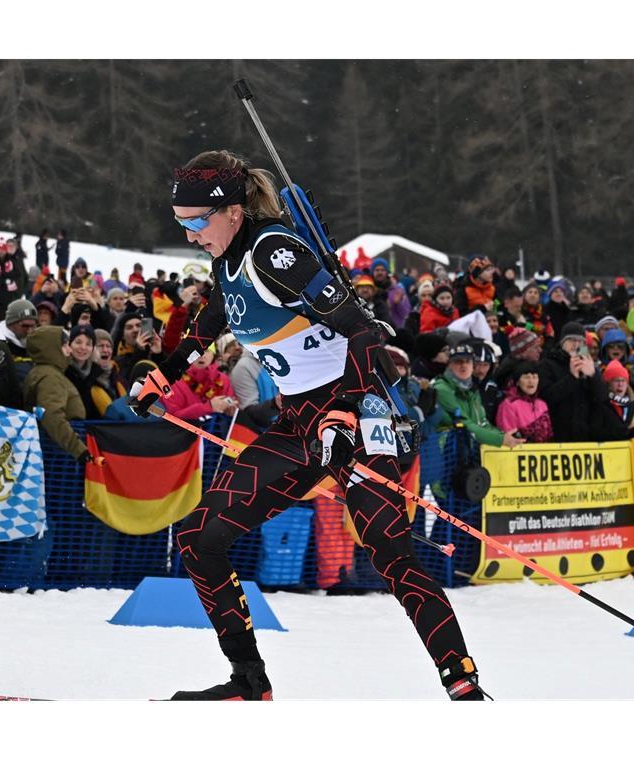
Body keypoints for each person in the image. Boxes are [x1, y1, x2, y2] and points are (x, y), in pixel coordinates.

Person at [130, 150, 487, 700]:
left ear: (230, 211)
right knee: (201, 537)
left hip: (358, 412)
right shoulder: (228, 263)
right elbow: (212, 320)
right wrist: (166, 375)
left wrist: (344, 411)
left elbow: (366, 333)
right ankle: (248, 682)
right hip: (297, 422)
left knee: (388, 550)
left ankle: (461, 680)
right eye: (182, 224)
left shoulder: (273, 251)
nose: (192, 234)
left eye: (198, 221)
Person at [433, 340, 523, 448]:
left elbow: (482, 423)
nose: (464, 365)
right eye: (458, 362)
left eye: (468, 361)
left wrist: (504, 436)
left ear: (472, 366)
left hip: (467, 450)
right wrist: (500, 439)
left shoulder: (472, 389)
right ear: (449, 365)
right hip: (445, 454)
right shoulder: (442, 389)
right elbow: (463, 424)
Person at [23, 325, 90, 461]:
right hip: (60, 455)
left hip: (59, 451)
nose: (69, 349)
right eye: (65, 345)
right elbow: (51, 415)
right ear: (51, 348)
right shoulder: (50, 377)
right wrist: (79, 449)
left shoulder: (47, 372)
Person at [495, 361, 553, 443]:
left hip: (541, 453)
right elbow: (508, 436)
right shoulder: (508, 405)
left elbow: (548, 435)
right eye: (526, 377)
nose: (531, 381)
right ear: (517, 382)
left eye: (534, 377)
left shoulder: (542, 405)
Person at [0, 298, 39, 387]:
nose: (30, 331)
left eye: (33, 326)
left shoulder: (36, 339)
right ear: (10, 323)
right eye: (25, 326)